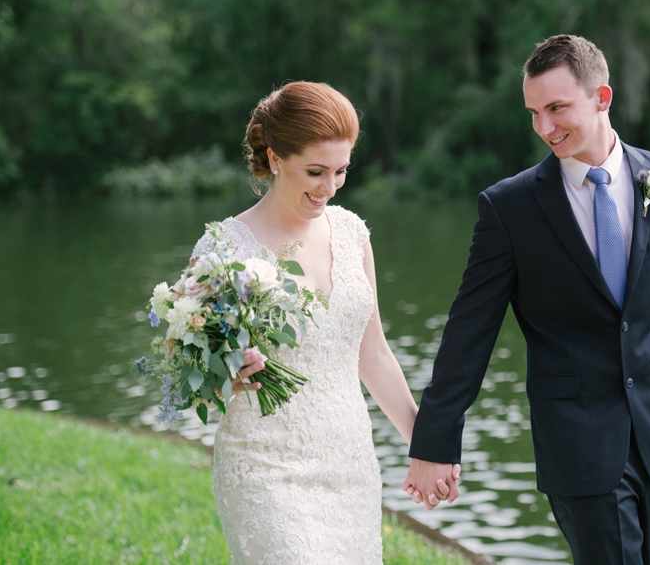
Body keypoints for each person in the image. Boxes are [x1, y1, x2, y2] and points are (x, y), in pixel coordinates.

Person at [403, 35, 650, 564]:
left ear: (602, 97)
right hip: (578, 442)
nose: (544, 127)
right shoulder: (509, 208)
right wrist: (435, 443)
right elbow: (469, 331)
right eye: (533, 112)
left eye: (556, 108)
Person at [191, 81, 458, 564]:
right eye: (315, 171)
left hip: (348, 459)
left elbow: (372, 354)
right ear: (274, 159)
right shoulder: (223, 251)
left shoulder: (352, 234)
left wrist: (427, 443)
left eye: (341, 171)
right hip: (264, 466)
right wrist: (228, 376)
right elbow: (194, 375)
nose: (329, 187)